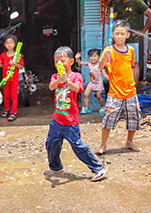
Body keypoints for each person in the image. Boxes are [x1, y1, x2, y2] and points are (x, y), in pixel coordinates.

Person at [45, 46, 107, 181]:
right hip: (57, 120)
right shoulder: (55, 76)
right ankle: (55, 167)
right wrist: (58, 80)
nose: (59, 64)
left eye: (62, 61)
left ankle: (98, 168)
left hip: (70, 121)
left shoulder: (76, 76)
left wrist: (67, 81)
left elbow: (78, 89)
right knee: (51, 144)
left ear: (72, 61)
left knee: (78, 146)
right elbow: (51, 87)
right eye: (56, 62)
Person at [96, 20, 142, 155]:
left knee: (134, 118)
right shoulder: (108, 51)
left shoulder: (131, 51)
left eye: (122, 34)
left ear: (128, 35)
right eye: (117, 34)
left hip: (130, 92)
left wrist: (134, 83)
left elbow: (133, 67)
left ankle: (129, 142)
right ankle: (103, 145)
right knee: (108, 119)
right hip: (114, 93)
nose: (120, 36)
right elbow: (100, 67)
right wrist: (104, 56)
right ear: (113, 35)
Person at [114, 0, 151, 83]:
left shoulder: (137, 2)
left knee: (134, 63)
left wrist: (143, 31)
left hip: (133, 38)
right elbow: (114, 19)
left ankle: (133, 87)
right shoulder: (118, 4)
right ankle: (123, 85)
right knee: (121, 62)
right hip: (120, 39)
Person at [0, 35, 24, 121]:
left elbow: (21, 67)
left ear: (15, 44)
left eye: (11, 42)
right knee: (6, 95)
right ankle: (7, 109)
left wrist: (14, 64)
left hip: (14, 79)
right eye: (7, 43)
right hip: (5, 79)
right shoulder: (3, 55)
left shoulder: (17, 55)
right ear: (4, 44)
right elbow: (1, 65)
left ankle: (14, 112)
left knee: (14, 95)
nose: (9, 44)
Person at [75, 49, 108, 114]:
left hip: (99, 84)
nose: (93, 58)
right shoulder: (89, 64)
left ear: (99, 57)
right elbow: (80, 62)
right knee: (85, 94)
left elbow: (103, 72)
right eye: (91, 56)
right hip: (92, 83)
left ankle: (102, 107)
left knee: (99, 96)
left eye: (95, 56)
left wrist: (108, 78)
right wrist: (77, 58)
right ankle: (87, 108)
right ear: (89, 57)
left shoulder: (100, 65)